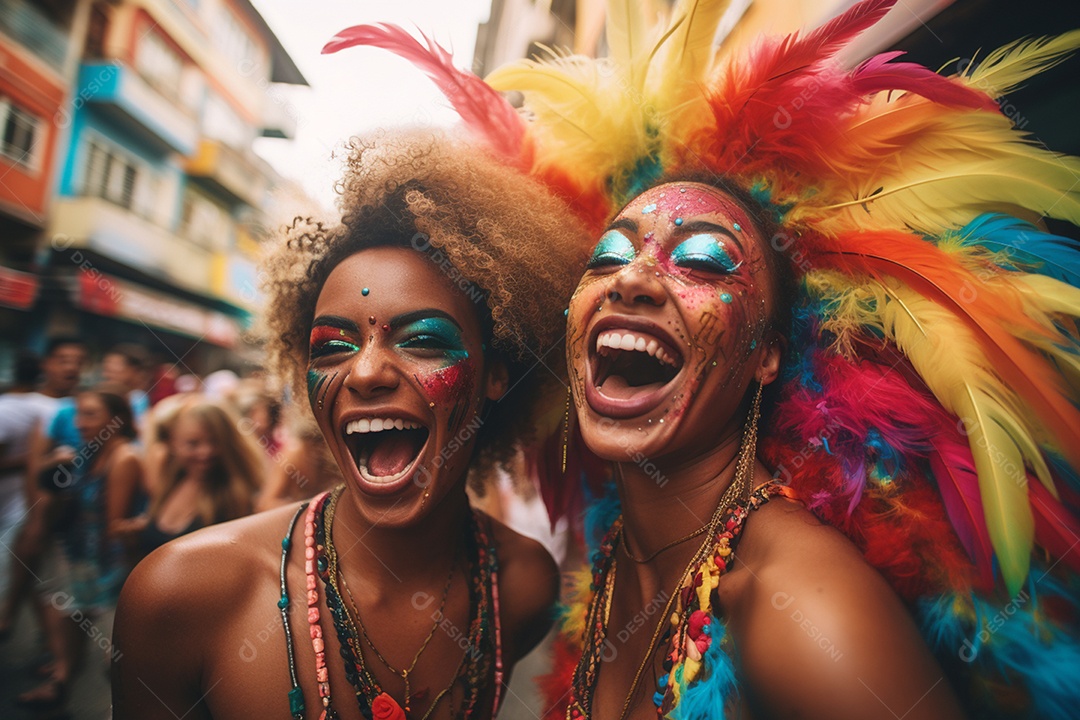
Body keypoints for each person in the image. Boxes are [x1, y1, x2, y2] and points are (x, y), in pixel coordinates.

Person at [345, 1, 1080, 718]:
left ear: (765, 356)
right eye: (608, 256)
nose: (632, 279)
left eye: (702, 261)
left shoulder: (804, 610)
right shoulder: (607, 561)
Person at [112, 133, 590, 719]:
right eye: (333, 346)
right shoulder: (182, 595)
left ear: (497, 374)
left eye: (420, 340)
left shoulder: (520, 589)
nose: (364, 372)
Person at [117, 398, 263, 559]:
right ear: (173, 444)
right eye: (193, 444)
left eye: (215, 442)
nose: (205, 452)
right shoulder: (171, 482)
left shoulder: (237, 497)